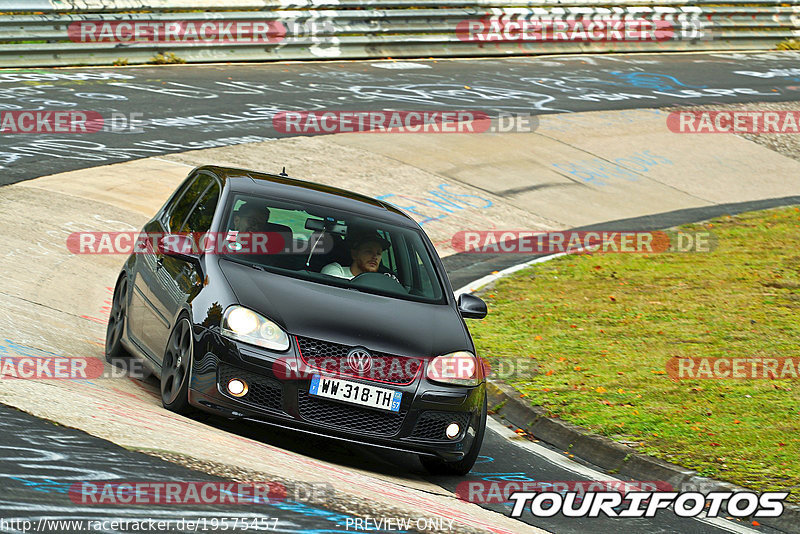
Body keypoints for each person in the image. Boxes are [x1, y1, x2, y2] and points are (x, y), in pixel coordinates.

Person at [322, 229, 391, 279]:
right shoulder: (334, 270)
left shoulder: (384, 280)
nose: (375, 256)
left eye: (378, 253)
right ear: (354, 254)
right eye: (369, 251)